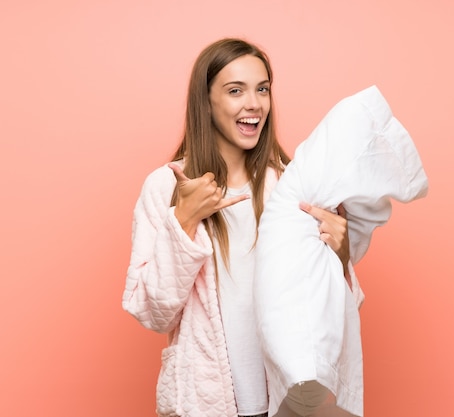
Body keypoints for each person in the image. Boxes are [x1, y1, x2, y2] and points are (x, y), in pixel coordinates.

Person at [122, 38, 351, 417]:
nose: (254, 103)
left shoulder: (291, 185)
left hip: (287, 398)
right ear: (205, 101)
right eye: (235, 90)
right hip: (203, 402)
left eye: (262, 89)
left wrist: (340, 259)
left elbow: (333, 312)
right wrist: (185, 220)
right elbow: (151, 312)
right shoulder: (165, 187)